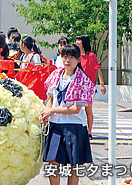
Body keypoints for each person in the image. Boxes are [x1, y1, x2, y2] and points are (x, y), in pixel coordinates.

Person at [41, 44, 95, 185]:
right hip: (55, 124)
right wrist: (46, 113)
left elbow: (75, 109)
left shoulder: (83, 80)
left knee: (74, 165)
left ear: (78, 60)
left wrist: (52, 110)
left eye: (72, 57)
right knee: (52, 162)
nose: (67, 60)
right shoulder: (55, 75)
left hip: (74, 125)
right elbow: (51, 99)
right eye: (65, 56)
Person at [76, 34, 106, 138]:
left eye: (79, 40)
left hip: (88, 86)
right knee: (76, 109)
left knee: (88, 110)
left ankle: (89, 131)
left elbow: (98, 69)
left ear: (84, 42)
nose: (77, 42)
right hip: (77, 86)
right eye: (76, 40)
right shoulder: (75, 55)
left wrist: (102, 84)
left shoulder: (91, 56)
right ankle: (79, 129)